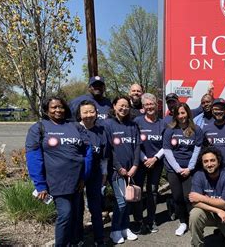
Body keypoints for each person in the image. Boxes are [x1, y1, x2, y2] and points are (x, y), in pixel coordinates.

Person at [25, 96, 92, 246]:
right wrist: (40, 184)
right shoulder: (39, 128)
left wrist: (84, 177)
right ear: (46, 110)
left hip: (77, 182)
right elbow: (33, 157)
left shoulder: (76, 127)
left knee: (76, 215)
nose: (58, 110)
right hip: (56, 182)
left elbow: (87, 152)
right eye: (54, 107)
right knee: (66, 214)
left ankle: (75, 242)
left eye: (60, 107)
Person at [189, 147, 225, 247]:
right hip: (210, 214)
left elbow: (224, 204)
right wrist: (217, 211)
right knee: (195, 214)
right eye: (205, 161)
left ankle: (222, 233)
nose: (209, 164)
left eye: (212, 160)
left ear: (219, 162)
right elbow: (194, 202)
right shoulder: (198, 175)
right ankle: (197, 245)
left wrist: (202, 197)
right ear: (202, 164)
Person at [163, 102, 203, 236]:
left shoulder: (196, 129)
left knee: (189, 197)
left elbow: (197, 150)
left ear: (188, 114)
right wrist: (178, 168)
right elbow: (167, 151)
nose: (181, 116)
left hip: (190, 169)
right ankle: (183, 222)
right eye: (178, 113)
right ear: (174, 115)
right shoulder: (170, 130)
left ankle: (192, 221)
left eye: (183, 113)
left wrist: (189, 168)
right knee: (177, 197)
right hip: (174, 169)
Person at [104, 96, 140, 244]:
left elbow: (137, 146)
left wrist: (135, 165)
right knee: (121, 202)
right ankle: (115, 230)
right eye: (121, 106)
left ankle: (125, 228)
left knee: (129, 199)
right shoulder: (108, 125)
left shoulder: (133, 125)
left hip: (132, 171)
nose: (124, 109)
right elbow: (109, 150)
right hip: (116, 172)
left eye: (127, 106)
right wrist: (119, 168)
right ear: (114, 106)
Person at [75, 100, 107, 245]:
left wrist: (104, 175)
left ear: (96, 113)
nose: (88, 115)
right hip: (77, 177)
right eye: (85, 112)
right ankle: (79, 238)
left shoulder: (101, 132)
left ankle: (99, 239)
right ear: (80, 114)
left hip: (95, 176)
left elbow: (104, 157)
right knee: (78, 209)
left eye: (91, 112)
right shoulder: (74, 130)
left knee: (96, 209)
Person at [132, 93, 165, 234]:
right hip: (140, 163)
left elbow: (166, 145)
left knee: (152, 192)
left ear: (156, 105)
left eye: (151, 104)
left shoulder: (163, 123)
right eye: (146, 105)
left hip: (156, 163)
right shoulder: (137, 122)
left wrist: (155, 158)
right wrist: (145, 158)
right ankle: (139, 221)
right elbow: (136, 143)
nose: (149, 107)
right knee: (137, 192)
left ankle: (151, 221)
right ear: (143, 107)